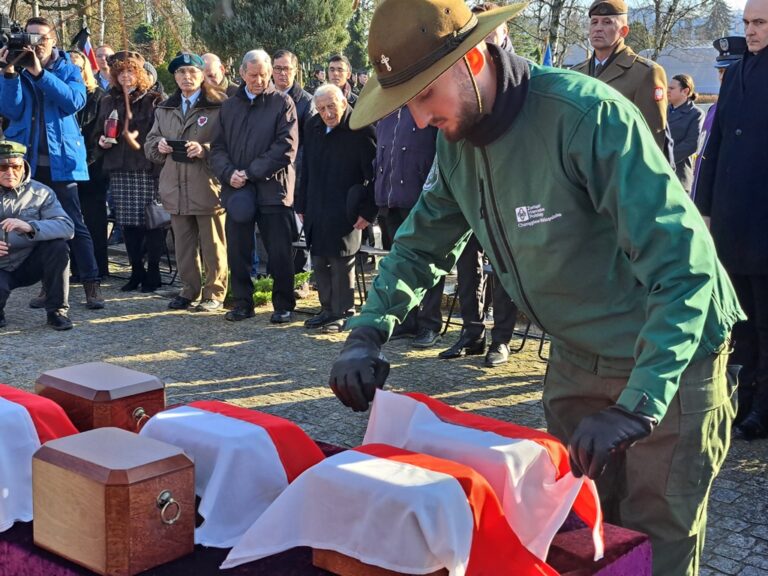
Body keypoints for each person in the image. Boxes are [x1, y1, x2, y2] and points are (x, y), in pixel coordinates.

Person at [328, 2, 744, 575]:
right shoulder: (456, 140)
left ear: (474, 61)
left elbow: (683, 268)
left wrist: (640, 403)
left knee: (655, 541)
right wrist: (367, 332)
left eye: (425, 97)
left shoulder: (587, 117)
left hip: (671, 352)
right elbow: (421, 245)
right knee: (577, 530)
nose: (419, 121)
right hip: (575, 355)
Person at [696, 0, 768, 440]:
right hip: (732, 218)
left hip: (763, 220)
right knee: (739, 320)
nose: (751, 30)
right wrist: (706, 207)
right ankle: (742, 403)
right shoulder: (739, 70)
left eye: (759, 23)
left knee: (765, 322)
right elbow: (717, 143)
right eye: (747, 22)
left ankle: (763, 409)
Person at [0, 16, 104, 310]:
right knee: (37, 225)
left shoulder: (68, 68)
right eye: (30, 37)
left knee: (73, 223)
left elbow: (73, 102)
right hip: (27, 162)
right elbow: (11, 110)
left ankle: (92, 284)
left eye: (42, 38)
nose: (36, 44)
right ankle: (50, 287)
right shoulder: (16, 67)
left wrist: (38, 72)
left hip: (62, 161)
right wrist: (9, 74)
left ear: (53, 41)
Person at [210, 49, 299, 324]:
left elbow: (286, 147)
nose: (259, 80)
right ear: (241, 73)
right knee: (238, 250)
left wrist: (250, 172)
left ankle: (283, 304)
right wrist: (229, 174)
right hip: (238, 190)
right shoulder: (229, 106)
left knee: (279, 251)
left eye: (264, 75)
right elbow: (217, 148)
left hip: (273, 189)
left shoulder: (282, 103)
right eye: (253, 75)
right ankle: (242, 303)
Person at [145, 52, 228, 313]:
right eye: (181, 72)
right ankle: (189, 290)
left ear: (202, 75)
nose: (186, 77)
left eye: (192, 72)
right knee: (183, 245)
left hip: (206, 184)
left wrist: (204, 149)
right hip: (175, 186)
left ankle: (214, 292)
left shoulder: (219, 106)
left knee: (212, 245)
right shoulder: (165, 108)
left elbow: (230, 144)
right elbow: (150, 143)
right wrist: (158, 146)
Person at [296, 84, 376, 332]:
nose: (327, 113)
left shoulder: (361, 128)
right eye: (321, 109)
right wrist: (301, 203)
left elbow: (375, 175)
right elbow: (306, 167)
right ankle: (327, 309)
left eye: (331, 106)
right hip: (316, 203)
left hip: (347, 206)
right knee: (320, 259)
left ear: (343, 101)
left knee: (342, 260)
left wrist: (368, 211)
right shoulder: (313, 126)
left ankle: (343, 312)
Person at [94, 51, 165, 292]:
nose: (125, 76)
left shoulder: (154, 99)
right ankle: (136, 271)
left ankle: (153, 271)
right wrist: (101, 141)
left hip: (146, 167)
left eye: (131, 71)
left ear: (140, 74)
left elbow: (160, 134)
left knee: (152, 221)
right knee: (128, 223)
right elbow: (98, 132)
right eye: (121, 72)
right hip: (119, 167)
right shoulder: (108, 100)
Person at [375, 106, 443, 348]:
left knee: (427, 264)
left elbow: (439, 156)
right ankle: (406, 319)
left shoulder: (426, 109)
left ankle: (430, 323)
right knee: (400, 266)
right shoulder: (386, 113)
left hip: (421, 200)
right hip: (390, 201)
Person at [572, 0, 669, 150]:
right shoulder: (576, 73)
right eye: (594, 22)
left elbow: (652, 139)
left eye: (607, 22)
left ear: (623, 31)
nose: (598, 28)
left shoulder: (645, 73)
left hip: (620, 162)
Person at [0, 140, 74, 330]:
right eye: (3, 167)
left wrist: (31, 227)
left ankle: (57, 311)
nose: (10, 172)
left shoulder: (41, 192)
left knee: (58, 246)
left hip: (28, 261)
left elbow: (67, 227)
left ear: (23, 166)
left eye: (16, 167)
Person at [68, 49, 109, 280]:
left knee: (94, 220)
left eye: (78, 66)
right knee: (71, 219)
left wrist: (89, 158)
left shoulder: (98, 96)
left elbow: (101, 131)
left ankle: (98, 268)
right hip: (67, 166)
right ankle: (76, 268)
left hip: (93, 166)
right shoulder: (60, 94)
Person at [690, 36, 746, 201]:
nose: (722, 77)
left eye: (728, 71)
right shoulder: (714, 109)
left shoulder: (751, 110)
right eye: (720, 71)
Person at [666, 74, 704, 194]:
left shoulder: (696, 114)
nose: (667, 91)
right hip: (657, 174)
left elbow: (692, 144)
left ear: (685, 91)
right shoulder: (661, 110)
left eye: (672, 88)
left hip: (679, 175)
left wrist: (665, 158)